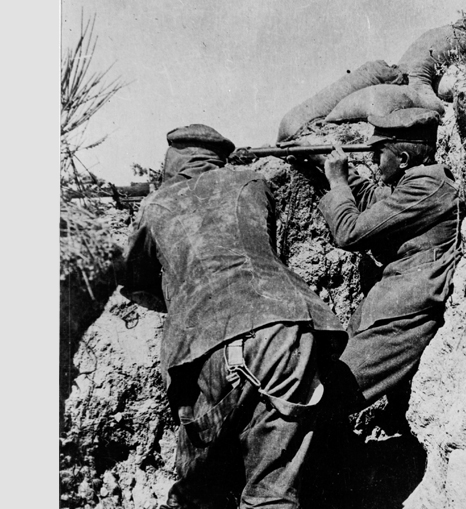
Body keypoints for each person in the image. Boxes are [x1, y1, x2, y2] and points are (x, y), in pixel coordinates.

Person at [115, 124, 346, 509]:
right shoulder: (253, 182)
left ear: (173, 162)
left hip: (204, 348)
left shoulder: (155, 204)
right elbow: (266, 252)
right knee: (272, 493)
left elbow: (133, 283)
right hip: (280, 330)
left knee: (198, 488)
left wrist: (183, 299)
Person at [291, 108, 462, 419]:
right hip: (386, 305)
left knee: (326, 398)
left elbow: (351, 234)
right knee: (323, 386)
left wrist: (338, 184)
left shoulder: (427, 187)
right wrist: (322, 163)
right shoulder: (416, 181)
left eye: (378, 154)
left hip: (405, 313)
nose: (372, 161)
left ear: (404, 160)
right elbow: (373, 200)